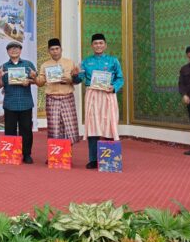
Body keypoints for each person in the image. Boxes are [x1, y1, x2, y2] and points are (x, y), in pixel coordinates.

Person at [77, 33, 124, 169]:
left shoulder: (113, 61)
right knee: (93, 126)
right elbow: (79, 79)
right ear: (92, 46)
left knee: (109, 124)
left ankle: (109, 158)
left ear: (105, 45)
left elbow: (120, 78)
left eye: (101, 43)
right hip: (92, 96)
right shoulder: (86, 61)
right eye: (95, 43)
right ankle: (93, 159)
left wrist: (114, 87)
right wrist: (75, 75)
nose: (98, 45)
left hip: (108, 95)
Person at [0, 41, 37, 164]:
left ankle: (26, 154)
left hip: (25, 103)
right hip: (10, 103)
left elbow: (36, 80)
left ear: (20, 50)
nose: (14, 51)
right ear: (7, 52)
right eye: (11, 49)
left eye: (16, 48)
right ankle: (11, 153)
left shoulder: (28, 64)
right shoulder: (3, 66)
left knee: (26, 131)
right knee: (10, 130)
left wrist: (31, 80)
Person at [36, 38, 81, 145]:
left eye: (57, 49)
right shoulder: (45, 65)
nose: (55, 51)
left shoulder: (70, 63)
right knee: (54, 126)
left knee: (69, 127)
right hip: (52, 98)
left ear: (61, 49)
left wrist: (72, 78)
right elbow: (40, 83)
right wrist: (34, 77)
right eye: (52, 49)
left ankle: (66, 155)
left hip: (67, 97)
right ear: (48, 51)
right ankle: (54, 154)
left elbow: (77, 80)